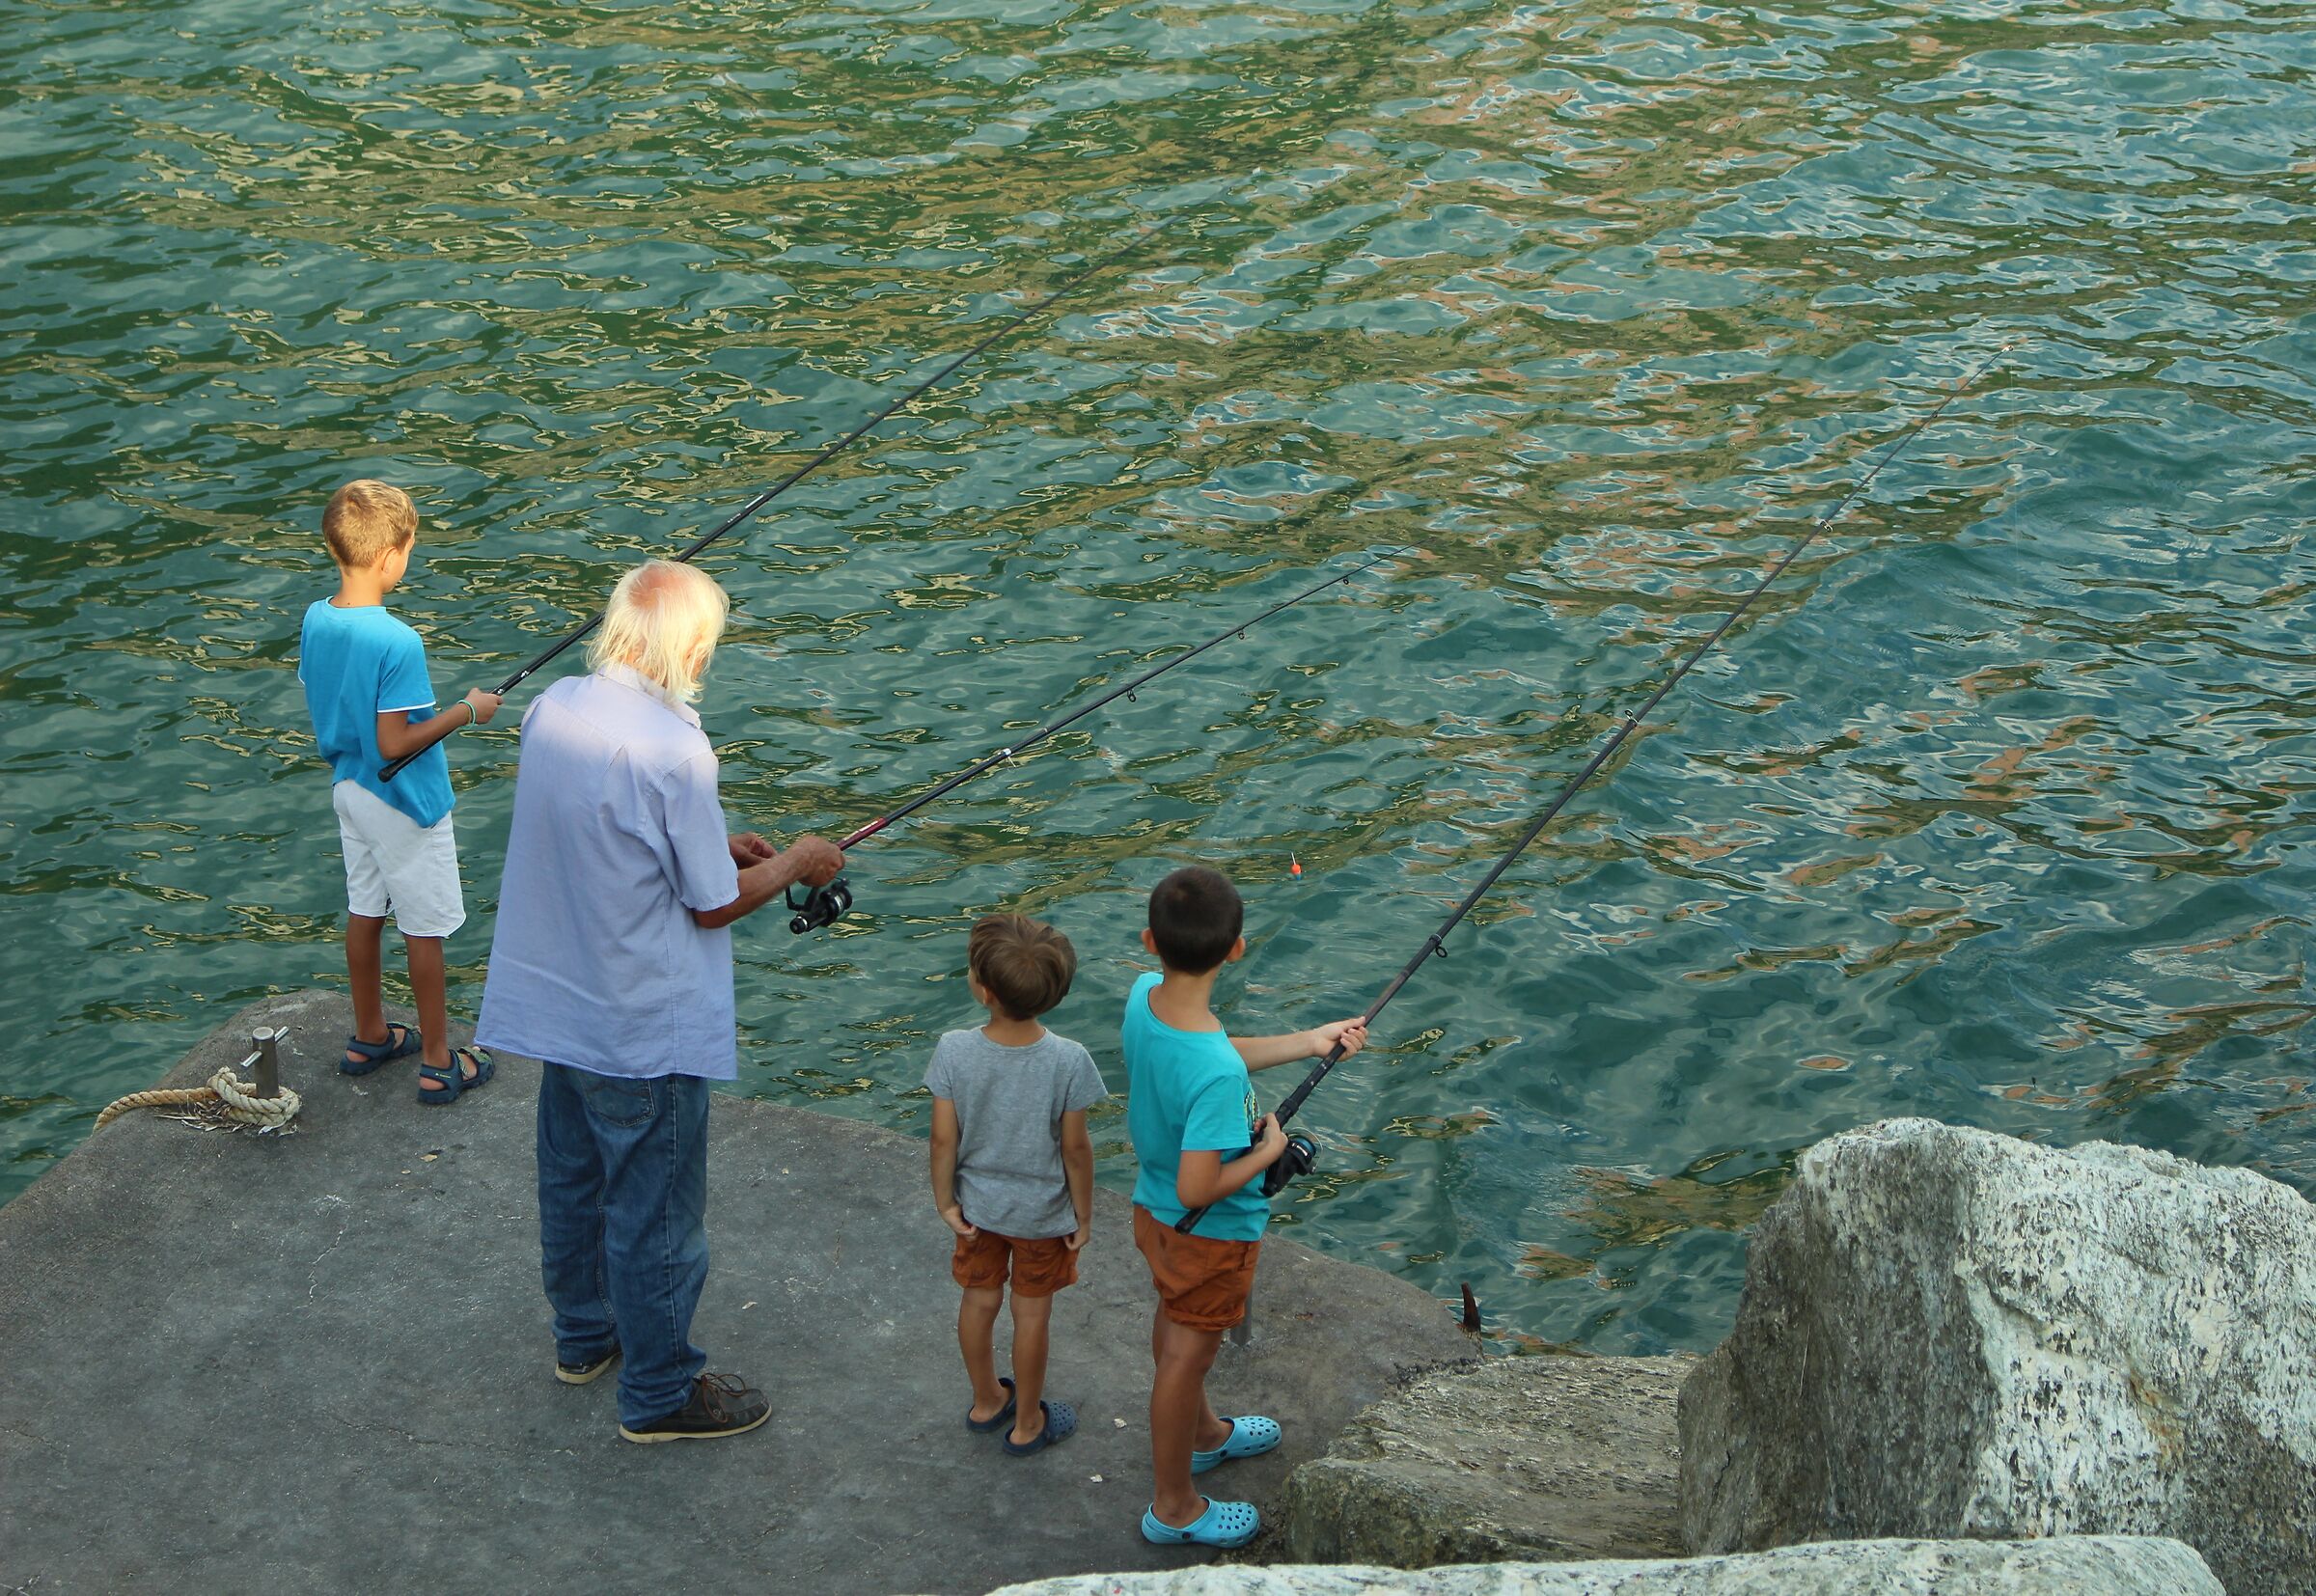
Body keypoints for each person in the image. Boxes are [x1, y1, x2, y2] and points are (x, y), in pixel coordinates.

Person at [474, 559, 844, 1444]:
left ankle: (584, 1338)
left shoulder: (556, 707)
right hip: (644, 1023)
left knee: (571, 1181)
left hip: (563, 1003)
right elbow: (711, 903)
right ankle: (661, 1391)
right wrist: (794, 862)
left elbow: (611, 831)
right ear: (690, 644)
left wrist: (715, 842)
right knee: (657, 1214)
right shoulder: (679, 749)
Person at [1124, 866, 1367, 1548]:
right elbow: (1200, 1188)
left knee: (1176, 1329)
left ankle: (1202, 1435)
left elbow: (1209, 1053)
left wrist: (1308, 1041)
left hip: (1155, 1215)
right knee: (1186, 1357)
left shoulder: (1144, 997)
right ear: (1236, 949)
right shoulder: (1218, 1075)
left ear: (1150, 940)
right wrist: (1268, 1152)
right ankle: (1174, 1507)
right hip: (1208, 1233)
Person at [296, 479, 500, 1103]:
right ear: (392, 556)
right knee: (423, 929)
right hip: (403, 802)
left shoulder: (317, 617)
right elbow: (394, 742)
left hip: (350, 789)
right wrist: (468, 710)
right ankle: (440, 1062)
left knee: (366, 909)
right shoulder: (397, 641)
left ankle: (370, 1035)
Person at [926, 913, 1106, 1457]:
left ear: (982, 989)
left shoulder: (954, 1049)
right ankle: (1028, 1422)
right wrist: (1084, 1215)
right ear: (1056, 993)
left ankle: (985, 1400)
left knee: (978, 1302)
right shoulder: (1069, 1060)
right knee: (1032, 1315)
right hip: (1042, 1218)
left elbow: (942, 1141)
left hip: (978, 1211)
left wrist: (946, 1202)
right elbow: (1075, 1150)